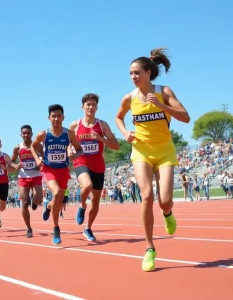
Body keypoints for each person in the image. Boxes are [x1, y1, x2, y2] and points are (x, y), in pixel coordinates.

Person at [115, 48, 190, 271]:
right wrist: (124, 132)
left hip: (165, 150)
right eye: (130, 73)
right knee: (146, 196)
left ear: (148, 72)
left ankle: (167, 213)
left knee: (164, 200)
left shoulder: (163, 91)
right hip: (141, 151)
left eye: (136, 72)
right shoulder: (129, 98)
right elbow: (118, 117)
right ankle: (149, 249)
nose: (133, 77)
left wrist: (161, 106)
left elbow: (185, 117)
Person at [30, 104, 83, 245]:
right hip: (49, 170)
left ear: (63, 117)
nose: (56, 118)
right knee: (58, 192)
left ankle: (48, 207)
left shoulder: (68, 134)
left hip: (63, 171)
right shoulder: (44, 134)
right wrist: (37, 159)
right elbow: (32, 146)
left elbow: (80, 149)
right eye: (54, 116)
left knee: (58, 203)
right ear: (49, 118)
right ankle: (56, 228)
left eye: (59, 116)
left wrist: (74, 156)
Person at [69, 93, 119, 241]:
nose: (91, 107)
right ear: (82, 107)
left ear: (97, 107)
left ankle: (88, 228)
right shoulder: (75, 125)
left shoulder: (102, 125)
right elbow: (68, 143)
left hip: (98, 165)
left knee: (96, 201)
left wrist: (101, 138)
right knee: (87, 185)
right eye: (88, 105)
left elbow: (115, 145)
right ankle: (83, 205)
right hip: (81, 162)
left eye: (93, 105)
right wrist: (69, 151)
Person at [11, 125, 43, 238]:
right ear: (21, 135)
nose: (26, 135)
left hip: (36, 175)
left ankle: (35, 201)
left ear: (31, 134)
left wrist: (40, 163)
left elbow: (44, 157)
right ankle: (29, 228)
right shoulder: (17, 148)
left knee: (39, 200)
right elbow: (11, 161)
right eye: (24, 133)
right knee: (24, 203)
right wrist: (16, 165)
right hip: (23, 176)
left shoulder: (38, 146)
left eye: (28, 133)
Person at [0, 137, 18, 228]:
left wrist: (4, 168)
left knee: (3, 207)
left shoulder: (5, 156)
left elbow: (13, 169)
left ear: (1, 145)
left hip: (4, 183)